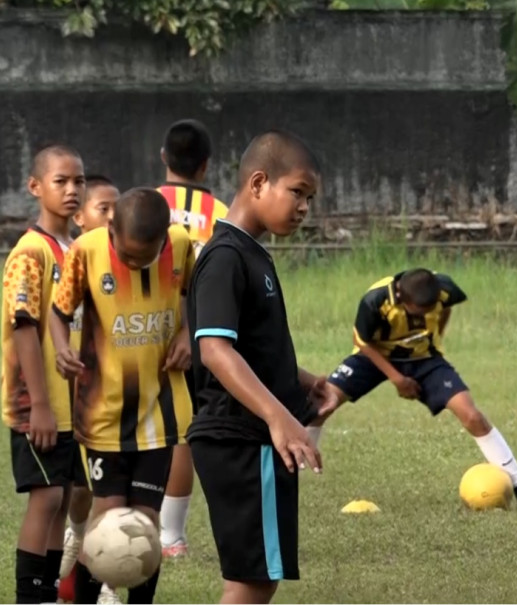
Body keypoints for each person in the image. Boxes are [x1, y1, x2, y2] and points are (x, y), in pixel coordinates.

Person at [186, 130, 332, 605]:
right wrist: (278, 417)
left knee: (256, 579)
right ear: (258, 183)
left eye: (309, 198)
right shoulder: (226, 256)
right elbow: (214, 350)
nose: (304, 207)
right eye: (297, 192)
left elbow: (248, 345)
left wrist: (305, 382)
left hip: (246, 436)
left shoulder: (251, 253)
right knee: (250, 583)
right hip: (241, 437)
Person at [50, 187, 195, 605]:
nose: (133, 263)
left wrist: (187, 333)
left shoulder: (183, 248)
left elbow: (198, 299)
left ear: (165, 238)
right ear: (110, 228)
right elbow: (59, 314)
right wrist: (62, 348)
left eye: (143, 258)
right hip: (103, 413)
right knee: (110, 523)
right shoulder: (86, 251)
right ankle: (76, 595)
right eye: (127, 255)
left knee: (146, 526)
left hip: (159, 411)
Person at [316, 268, 517, 510]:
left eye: (431, 308)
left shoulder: (444, 289)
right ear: (402, 299)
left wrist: (436, 338)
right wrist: (397, 379)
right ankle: (290, 477)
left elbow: (446, 307)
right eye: (422, 310)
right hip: (374, 357)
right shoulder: (375, 300)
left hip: (424, 358)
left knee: (472, 416)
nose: (429, 312)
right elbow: (361, 342)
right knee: (322, 404)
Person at [0, 144, 84, 604]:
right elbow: (24, 329)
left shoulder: (77, 249)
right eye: (60, 181)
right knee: (46, 498)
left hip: (75, 406)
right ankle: (29, 596)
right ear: (35, 187)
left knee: (64, 498)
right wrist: (41, 406)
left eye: (79, 182)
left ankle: (50, 591)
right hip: (39, 405)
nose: (72, 191)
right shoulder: (30, 253)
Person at [155, 118, 229, 559]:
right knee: (186, 431)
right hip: (204, 334)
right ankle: (171, 536)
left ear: (163, 158)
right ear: (205, 166)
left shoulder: (142, 203)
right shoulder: (223, 211)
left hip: (144, 331)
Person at [58, 174, 120, 605]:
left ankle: (106, 587)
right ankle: (74, 538)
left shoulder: (124, 263)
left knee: (108, 496)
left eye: (120, 209)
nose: (114, 218)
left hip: (105, 402)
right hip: (66, 402)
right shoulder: (66, 260)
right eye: (104, 209)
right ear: (79, 216)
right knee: (78, 494)